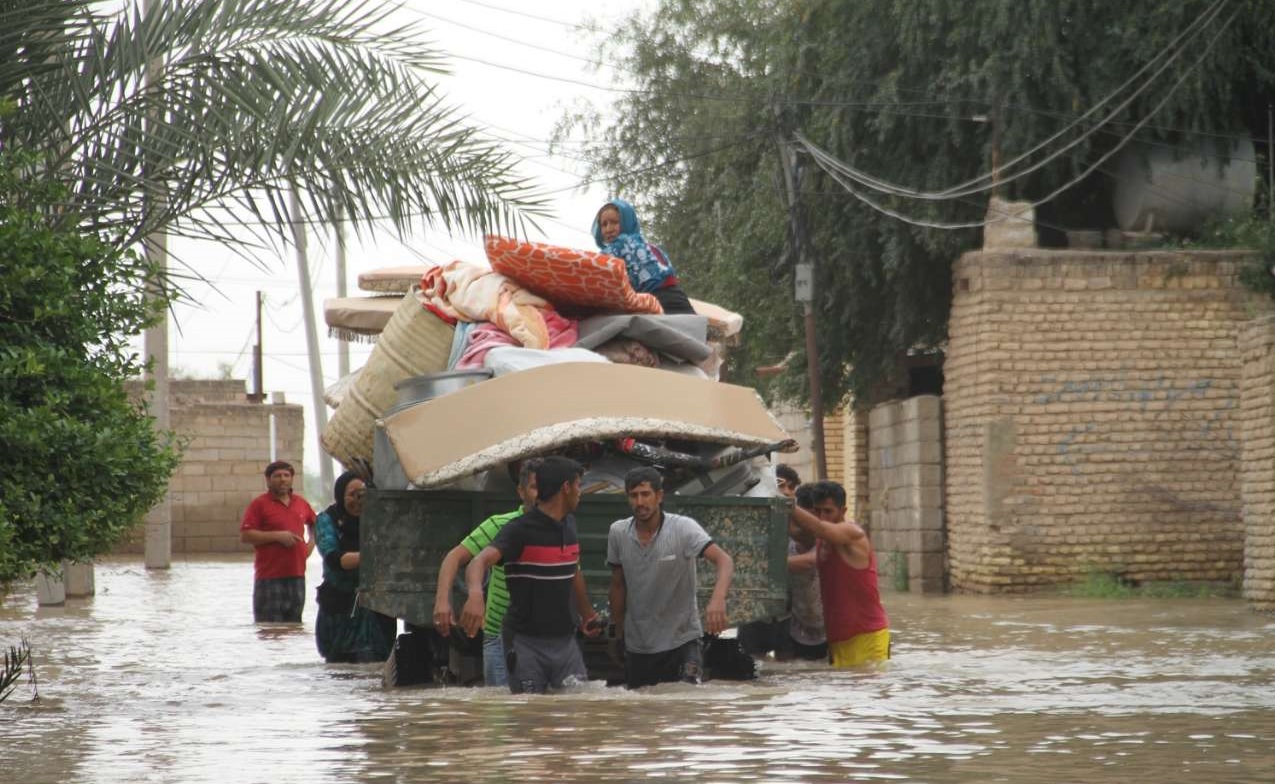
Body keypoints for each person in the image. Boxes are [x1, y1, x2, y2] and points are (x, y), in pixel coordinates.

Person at [459, 456, 601, 693]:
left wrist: (587, 614)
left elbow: (572, 571)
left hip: (566, 643)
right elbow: (478, 561)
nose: (580, 492)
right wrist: (475, 595)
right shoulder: (518, 530)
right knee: (528, 718)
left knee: (576, 716)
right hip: (525, 644)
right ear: (565, 488)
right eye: (578, 485)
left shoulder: (570, 525)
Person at [607, 466, 734, 688]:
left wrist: (718, 600)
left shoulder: (683, 528)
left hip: (682, 640)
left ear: (659, 496)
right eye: (634, 495)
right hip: (639, 644)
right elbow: (618, 586)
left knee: (685, 704)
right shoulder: (618, 532)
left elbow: (724, 560)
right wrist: (618, 634)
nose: (640, 502)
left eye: (645, 494)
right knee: (641, 713)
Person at [433, 458, 541, 687]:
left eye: (546, 487)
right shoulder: (501, 525)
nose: (541, 494)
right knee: (500, 715)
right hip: (499, 637)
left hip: (541, 639)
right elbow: (454, 557)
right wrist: (443, 601)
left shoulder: (561, 529)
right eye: (534, 487)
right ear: (521, 492)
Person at [786, 480, 890, 666]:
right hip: (838, 640)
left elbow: (820, 528)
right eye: (817, 511)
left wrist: (787, 503)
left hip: (867, 636)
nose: (822, 517)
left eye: (828, 511)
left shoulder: (852, 533)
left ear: (843, 511)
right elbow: (794, 530)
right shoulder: (821, 540)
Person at [737, 465, 827, 661]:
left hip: (789, 616)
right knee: (754, 664)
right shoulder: (754, 521)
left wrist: (764, 566)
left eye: (790, 487)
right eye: (780, 486)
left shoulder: (803, 526)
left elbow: (813, 557)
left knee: (786, 667)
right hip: (755, 612)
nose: (786, 492)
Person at [314, 470, 397, 663]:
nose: (358, 501)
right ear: (340, 495)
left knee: (376, 665)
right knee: (340, 668)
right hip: (339, 608)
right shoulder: (327, 520)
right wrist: (371, 556)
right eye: (352, 495)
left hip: (376, 609)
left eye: (363, 494)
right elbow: (334, 558)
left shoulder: (379, 520)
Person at [239, 460, 316, 623]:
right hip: (269, 578)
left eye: (286, 475)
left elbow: (316, 526)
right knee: (269, 630)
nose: (282, 479)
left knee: (294, 628)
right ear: (268, 480)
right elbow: (246, 535)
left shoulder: (301, 503)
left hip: (297, 577)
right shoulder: (259, 504)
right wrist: (278, 536)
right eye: (277, 476)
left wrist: (308, 548)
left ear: (292, 479)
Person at [592, 198, 697, 315]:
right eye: (604, 224)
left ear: (626, 222)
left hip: (657, 301)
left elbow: (595, 268)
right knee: (693, 329)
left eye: (614, 222)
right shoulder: (647, 246)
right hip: (678, 296)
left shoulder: (616, 247)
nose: (609, 229)